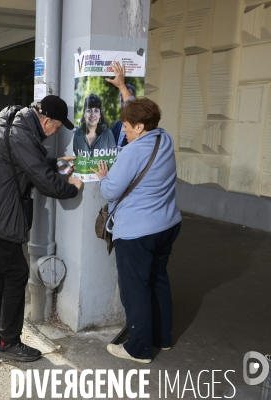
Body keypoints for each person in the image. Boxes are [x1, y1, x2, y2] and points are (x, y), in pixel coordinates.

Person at [0, 95, 84, 362]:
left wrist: (57, 162)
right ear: (46, 120)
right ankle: (8, 342)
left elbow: (27, 162)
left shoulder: (17, 121)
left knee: (0, 267)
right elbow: (44, 182)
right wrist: (72, 187)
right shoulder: (22, 133)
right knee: (17, 272)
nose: (56, 131)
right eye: (56, 126)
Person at [91, 98, 182, 364]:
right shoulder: (164, 139)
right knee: (158, 279)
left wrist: (103, 177)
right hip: (168, 225)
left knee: (135, 289)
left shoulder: (131, 153)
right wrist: (122, 90)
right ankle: (162, 338)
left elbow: (110, 191)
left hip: (137, 232)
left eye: (128, 126)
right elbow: (143, 116)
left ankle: (138, 349)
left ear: (140, 126)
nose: (124, 131)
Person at [71, 93, 116, 158]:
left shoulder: (108, 135)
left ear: (100, 115)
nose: (93, 114)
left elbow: (114, 160)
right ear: (84, 114)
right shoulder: (76, 135)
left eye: (96, 111)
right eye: (89, 110)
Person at [105, 60, 137, 148]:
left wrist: (121, 86)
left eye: (126, 100)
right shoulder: (116, 126)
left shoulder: (139, 127)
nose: (124, 104)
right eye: (122, 100)